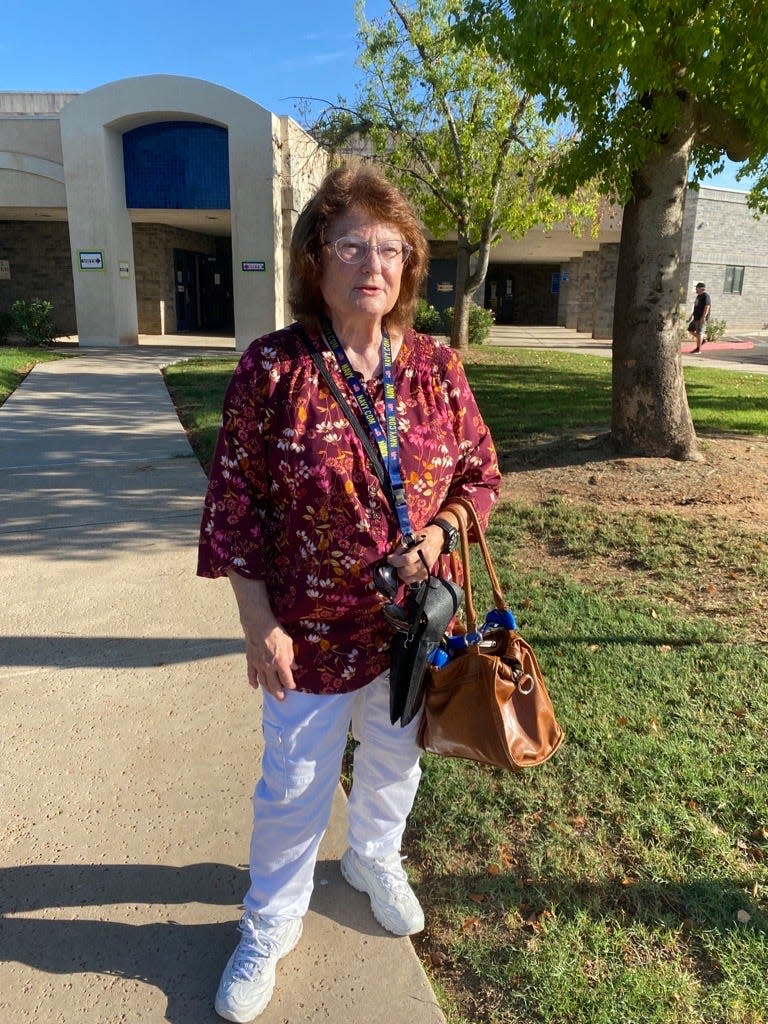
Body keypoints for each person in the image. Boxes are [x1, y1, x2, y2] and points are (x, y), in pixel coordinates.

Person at [197, 164, 501, 1023]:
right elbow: (235, 509)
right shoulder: (274, 370)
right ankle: (271, 920)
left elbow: (481, 474)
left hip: (412, 626)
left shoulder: (438, 367)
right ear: (315, 260)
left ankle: (372, 858)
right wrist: (260, 627)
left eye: (391, 247)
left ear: (409, 266)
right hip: (310, 631)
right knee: (294, 784)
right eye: (351, 244)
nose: (374, 261)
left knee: (396, 759)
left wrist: (437, 535)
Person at [687, 281, 712, 352]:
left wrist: (703, 317)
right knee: (690, 330)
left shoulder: (706, 296)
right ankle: (702, 340)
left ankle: (698, 349)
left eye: (697, 288)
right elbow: (696, 307)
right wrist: (691, 315)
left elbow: (707, 307)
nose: (696, 289)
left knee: (699, 333)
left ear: (701, 289)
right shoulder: (698, 296)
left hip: (701, 318)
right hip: (696, 317)